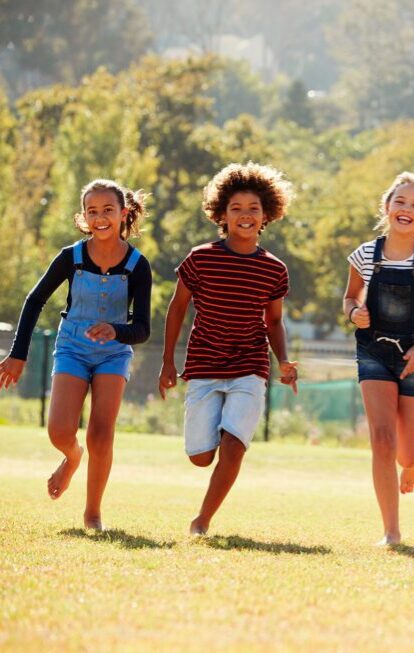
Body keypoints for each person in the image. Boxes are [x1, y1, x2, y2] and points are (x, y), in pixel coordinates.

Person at [0, 180, 151, 530]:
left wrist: (117, 330)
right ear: (84, 216)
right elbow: (35, 300)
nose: (100, 218)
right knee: (58, 431)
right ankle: (72, 457)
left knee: (101, 434)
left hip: (113, 353)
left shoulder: (138, 265)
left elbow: (142, 328)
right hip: (72, 347)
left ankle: (93, 512)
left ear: (123, 213)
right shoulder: (71, 257)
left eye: (108, 210)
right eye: (92, 211)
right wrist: (18, 354)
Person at [159, 162, 298, 536]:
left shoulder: (274, 270)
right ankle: (221, 432)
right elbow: (177, 308)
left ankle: (202, 521)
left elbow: (273, 321)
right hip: (204, 365)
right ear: (221, 214)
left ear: (267, 213)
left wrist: (283, 360)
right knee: (202, 457)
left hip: (249, 365)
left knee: (234, 447)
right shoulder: (200, 258)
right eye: (236, 208)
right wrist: (168, 361)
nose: (245, 215)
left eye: (253, 208)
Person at [343, 172, 414, 545]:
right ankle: (391, 531)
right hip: (373, 352)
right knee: (381, 439)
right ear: (387, 207)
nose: (407, 209)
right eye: (401, 202)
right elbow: (350, 297)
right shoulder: (364, 255)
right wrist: (352, 313)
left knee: (406, 455)